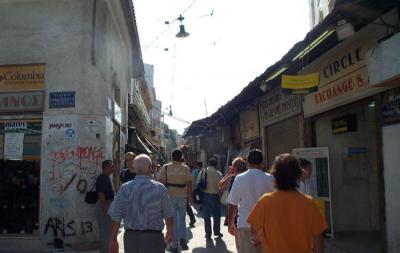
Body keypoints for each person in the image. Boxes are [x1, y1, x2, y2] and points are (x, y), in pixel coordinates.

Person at [247, 154, 328, 253]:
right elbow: (318, 238)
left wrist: (257, 239)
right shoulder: (309, 203)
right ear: (298, 174)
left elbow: (254, 229)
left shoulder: (265, 201)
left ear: (275, 176)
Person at [108, 154, 174, 253]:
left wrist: (113, 239)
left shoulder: (125, 188)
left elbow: (116, 216)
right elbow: (168, 214)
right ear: (150, 168)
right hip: (153, 239)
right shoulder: (160, 188)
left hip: (131, 240)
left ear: (135, 168)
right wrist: (170, 232)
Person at [227, 149, 274, 253]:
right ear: (262, 162)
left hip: (245, 224)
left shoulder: (239, 178)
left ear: (247, 162)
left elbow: (233, 203)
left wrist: (230, 223)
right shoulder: (270, 178)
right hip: (266, 226)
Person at [159, 149, 192, 253]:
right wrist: (190, 197)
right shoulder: (185, 168)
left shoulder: (166, 167)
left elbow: (161, 184)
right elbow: (189, 184)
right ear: (181, 156)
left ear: (172, 156)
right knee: (182, 218)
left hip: (169, 197)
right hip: (182, 196)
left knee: (172, 221)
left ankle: (174, 244)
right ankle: (182, 238)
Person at [219, 157, 247, 250]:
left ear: (234, 167)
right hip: (248, 208)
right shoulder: (246, 176)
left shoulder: (232, 178)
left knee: (238, 238)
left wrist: (228, 173)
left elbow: (220, 186)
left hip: (235, 209)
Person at [200, 157, 223, 239]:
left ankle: (208, 234)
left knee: (207, 216)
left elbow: (198, 181)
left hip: (205, 195)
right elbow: (221, 186)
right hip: (215, 195)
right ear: (216, 164)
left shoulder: (203, 171)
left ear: (209, 163)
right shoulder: (219, 173)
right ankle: (217, 232)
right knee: (217, 215)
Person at [95, 160, 115, 253]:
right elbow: (101, 193)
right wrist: (104, 206)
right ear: (106, 167)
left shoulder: (107, 177)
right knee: (105, 232)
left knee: (108, 232)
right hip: (105, 206)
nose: (113, 168)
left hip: (108, 205)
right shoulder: (102, 178)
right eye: (111, 166)